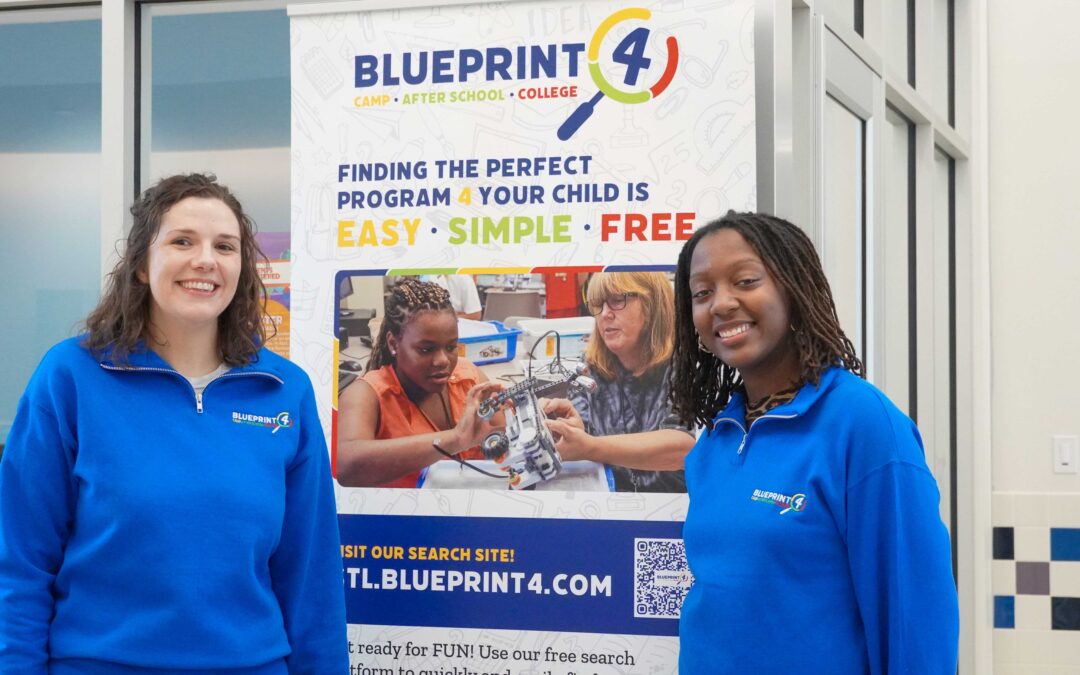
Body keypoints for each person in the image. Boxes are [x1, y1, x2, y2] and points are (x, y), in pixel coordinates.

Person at [0, 174, 347, 673]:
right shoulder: (70, 377)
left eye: (225, 246)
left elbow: (310, 573)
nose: (205, 259)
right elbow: (20, 562)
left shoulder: (283, 389)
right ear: (142, 264)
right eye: (182, 240)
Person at [668, 212, 958, 673]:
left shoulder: (863, 425)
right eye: (702, 293)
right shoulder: (716, 442)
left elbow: (913, 620)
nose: (721, 304)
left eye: (745, 280)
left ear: (794, 289)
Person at [335, 278, 502, 488]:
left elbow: (500, 440)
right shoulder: (367, 394)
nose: (443, 361)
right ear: (394, 344)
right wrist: (456, 438)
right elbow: (346, 466)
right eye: (426, 349)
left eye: (451, 347)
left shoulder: (470, 378)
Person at [541, 272, 694, 492]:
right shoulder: (589, 367)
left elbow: (682, 448)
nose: (604, 314)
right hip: (607, 507)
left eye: (617, 300)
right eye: (598, 304)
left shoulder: (686, 365)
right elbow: (582, 432)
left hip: (670, 512)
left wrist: (589, 447)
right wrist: (563, 427)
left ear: (653, 304)